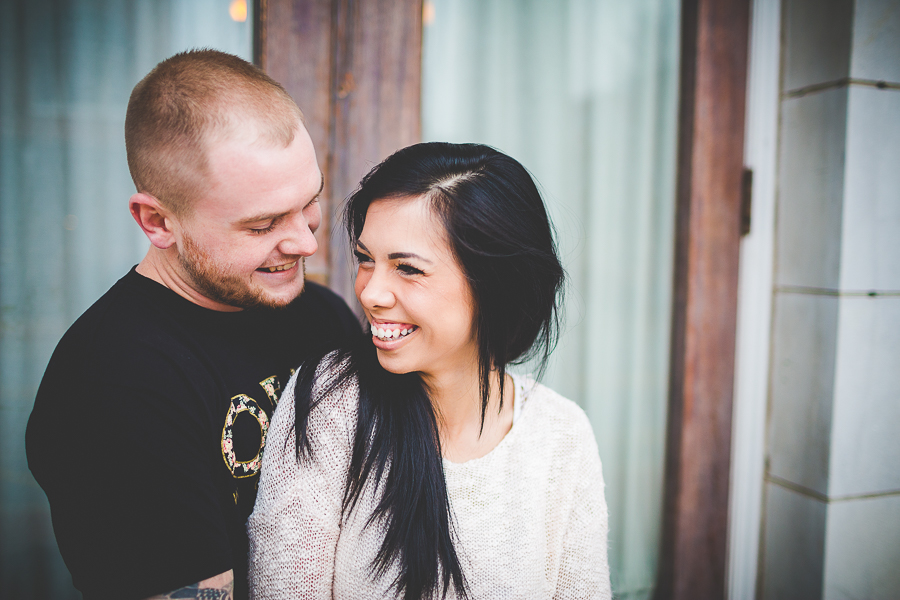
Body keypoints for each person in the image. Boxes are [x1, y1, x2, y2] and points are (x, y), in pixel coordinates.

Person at [25, 50, 360, 600]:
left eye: (310, 203)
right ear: (157, 221)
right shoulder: (113, 384)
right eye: (262, 224)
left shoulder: (319, 314)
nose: (306, 242)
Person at [248, 142, 612, 599]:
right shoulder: (332, 401)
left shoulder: (562, 435)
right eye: (366, 259)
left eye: (407, 269)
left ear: (495, 286)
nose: (371, 293)